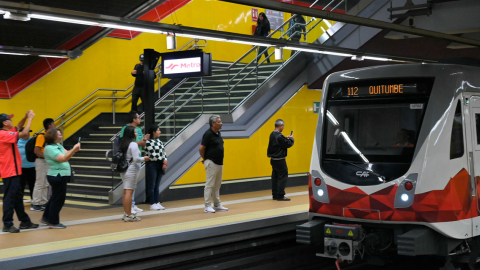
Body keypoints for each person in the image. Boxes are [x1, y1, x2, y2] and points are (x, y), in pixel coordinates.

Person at [0, 111, 39, 233]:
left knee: (17, 198)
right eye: (9, 119)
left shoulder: (6, 132)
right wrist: (30, 119)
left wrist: (25, 117)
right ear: (5, 123)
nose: (11, 121)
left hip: (14, 171)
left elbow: (17, 127)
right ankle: (7, 223)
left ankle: (25, 221)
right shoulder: (2, 134)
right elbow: (24, 133)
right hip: (9, 171)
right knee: (9, 198)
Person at [41, 128, 80, 229]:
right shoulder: (49, 148)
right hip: (57, 175)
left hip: (61, 175)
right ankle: (53, 222)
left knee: (55, 197)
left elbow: (67, 154)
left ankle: (46, 217)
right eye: (58, 135)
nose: (61, 136)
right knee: (58, 199)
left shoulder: (58, 146)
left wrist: (74, 150)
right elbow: (63, 158)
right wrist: (74, 149)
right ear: (53, 136)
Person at [119, 111, 150, 214]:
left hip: (136, 158)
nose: (140, 119)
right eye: (138, 117)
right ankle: (129, 210)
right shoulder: (126, 129)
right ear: (133, 119)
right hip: (131, 162)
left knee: (130, 187)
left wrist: (144, 141)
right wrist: (145, 158)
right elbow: (124, 142)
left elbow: (142, 144)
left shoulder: (139, 130)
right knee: (128, 188)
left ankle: (131, 206)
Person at [199, 115, 228, 213]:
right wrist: (205, 159)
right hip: (211, 162)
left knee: (217, 185)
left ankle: (217, 204)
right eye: (219, 122)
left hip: (219, 163)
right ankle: (207, 206)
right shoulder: (208, 134)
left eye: (221, 121)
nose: (221, 123)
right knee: (209, 185)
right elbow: (201, 148)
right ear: (213, 124)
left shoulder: (218, 133)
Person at [31, 118, 56, 211]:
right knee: (39, 183)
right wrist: (47, 156)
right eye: (54, 124)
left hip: (46, 162)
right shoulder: (41, 136)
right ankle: (36, 203)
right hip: (41, 161)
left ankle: (43, 202)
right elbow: (36, 150)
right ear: (50, 125)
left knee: (46, 183)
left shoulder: (49, 137)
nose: (55, 125)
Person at [267, 119, 294, 201]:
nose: (283, 128)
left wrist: (285, 138)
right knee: (282, 177)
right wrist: (291, 139)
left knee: (275, 177)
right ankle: (280, 195)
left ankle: (275, 194)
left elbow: (279, 142)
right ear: (281, 126)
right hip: (280, 160)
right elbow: (288, 144)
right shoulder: (279, 136)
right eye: (283, 126)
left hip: (273, 160)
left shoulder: (272, 134)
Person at [145, 125, 168, 211]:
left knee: (157, 185)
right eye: (158, 130)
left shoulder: (159, 141)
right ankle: (152, 203)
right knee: (152, 185)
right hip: (152, 164)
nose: (160, 132)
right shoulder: (148, 142)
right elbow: (152, 154)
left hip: (160, 164)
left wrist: (165, 160)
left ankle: (157, 201)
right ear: (153, 132)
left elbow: (163, 152)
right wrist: (163, 160)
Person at [17, 128, 36, 201]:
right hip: (21, 168)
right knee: (20, 186)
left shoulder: (33, 140)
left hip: (32, 167)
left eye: (29, 132)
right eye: (26, 132)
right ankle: (19, 202)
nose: (28, 134)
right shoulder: (17, 141)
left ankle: (34, 201)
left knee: (33, 185)